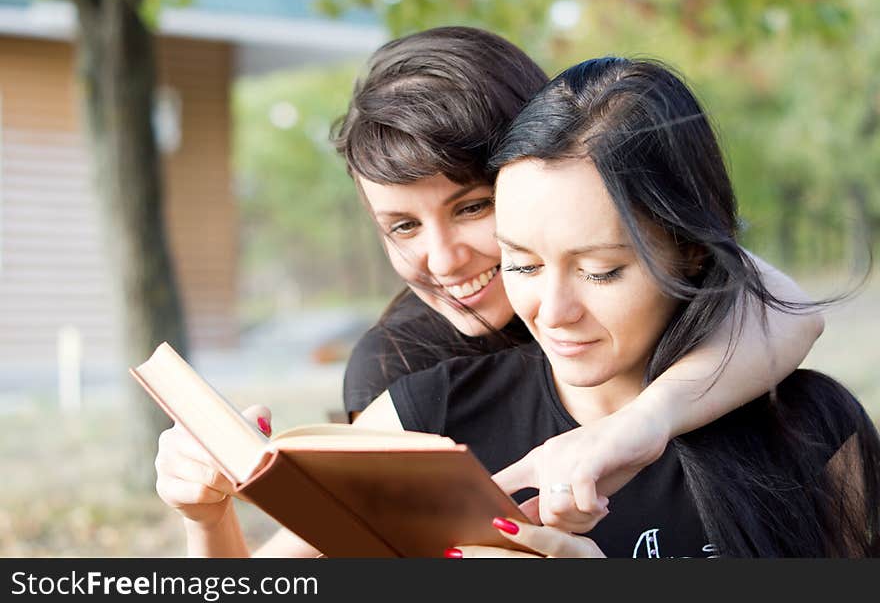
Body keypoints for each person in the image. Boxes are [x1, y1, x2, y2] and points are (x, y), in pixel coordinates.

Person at [153, 32, 827, 556]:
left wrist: (636, 425)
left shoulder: (785, 406)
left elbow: (779, 306)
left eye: (472, 207)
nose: (444, 260)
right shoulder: (407, 375)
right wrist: (205, 514)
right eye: (403, 226)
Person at [434, 56, 880, 557]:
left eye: (599, 270)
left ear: (691, 251)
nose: (554, 312)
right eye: (521, 265)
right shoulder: (433, 418)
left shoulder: (809, 429)